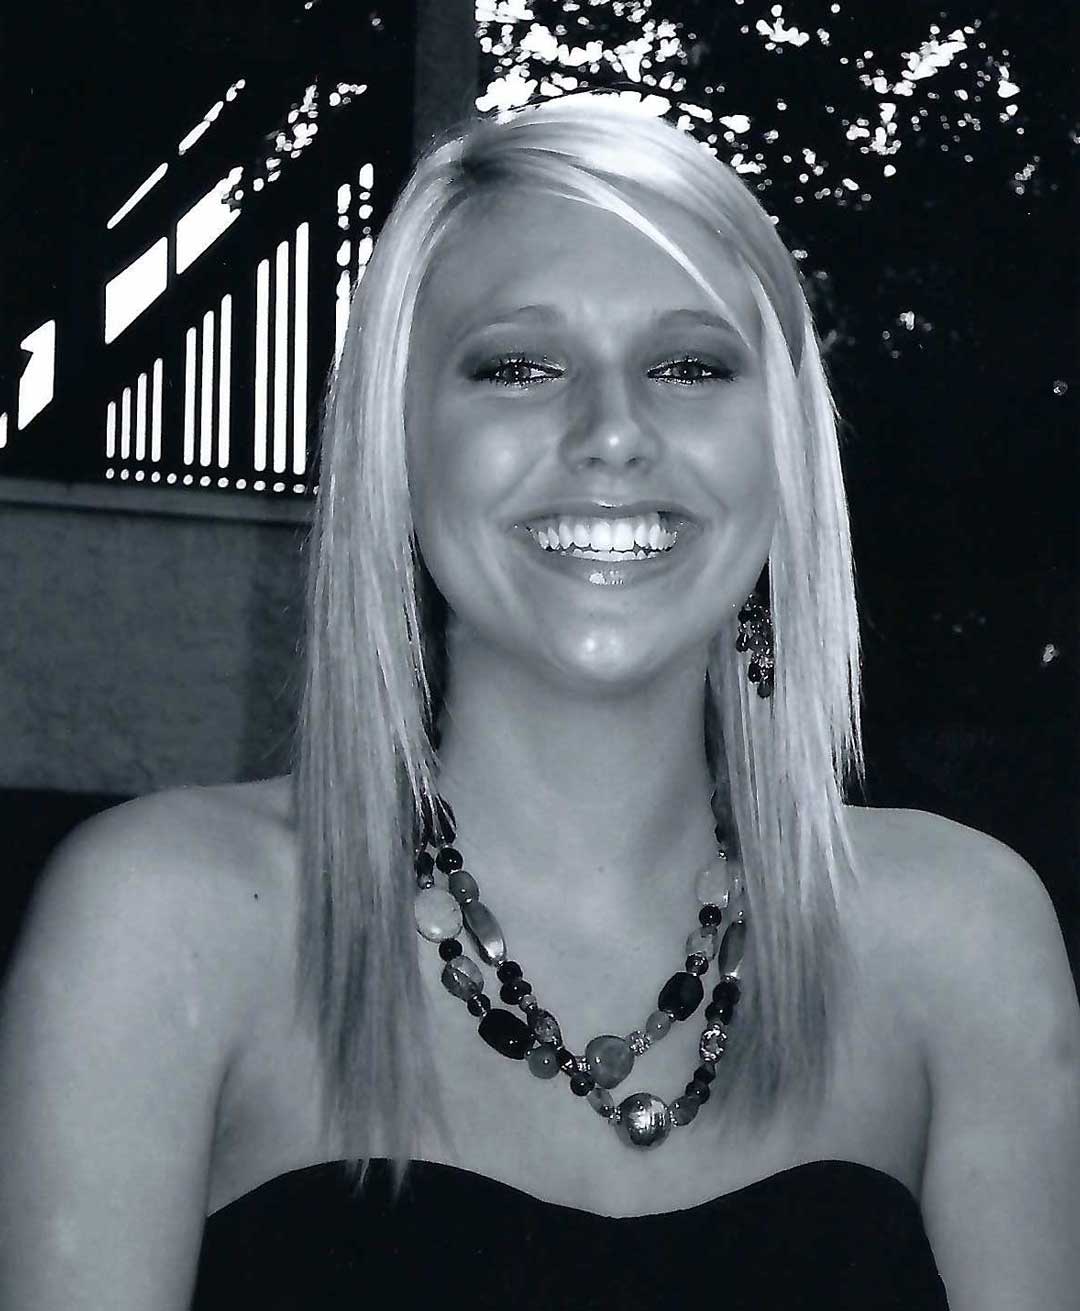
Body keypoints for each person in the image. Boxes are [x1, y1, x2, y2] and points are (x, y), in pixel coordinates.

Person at [1, 92, 1077, 1310]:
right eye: (518, 366)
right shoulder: (165, 926)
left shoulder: (964, 939)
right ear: (398, 448)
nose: (613, 432)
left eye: (690, 366)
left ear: (782, 450)